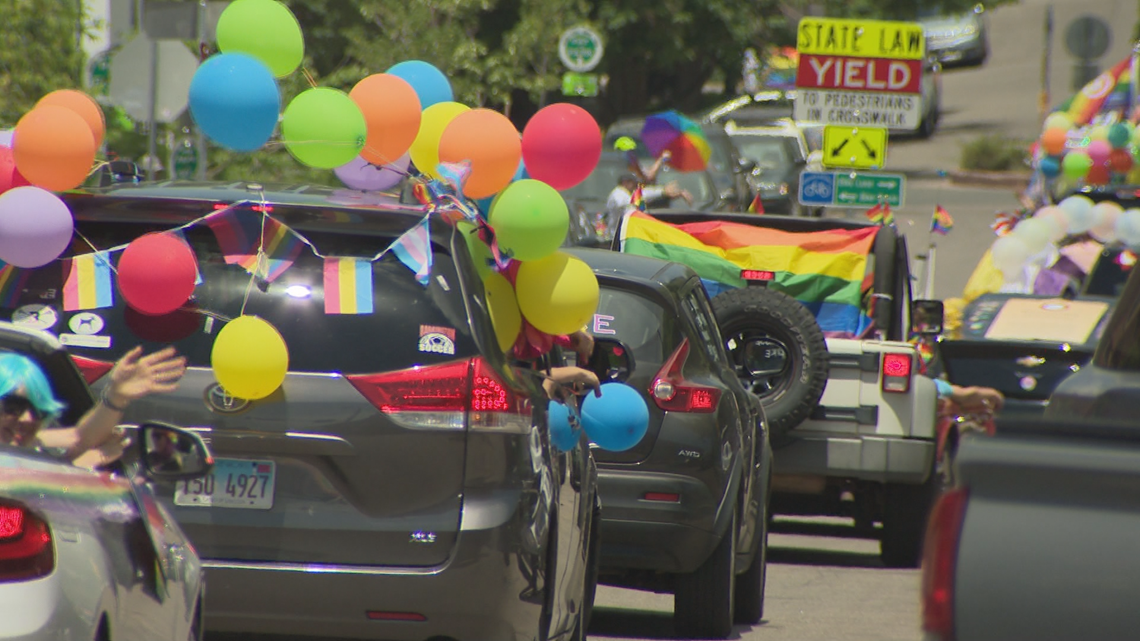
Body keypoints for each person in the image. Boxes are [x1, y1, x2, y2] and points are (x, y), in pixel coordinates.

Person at [0, 346, 187, 469]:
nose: (27, 419)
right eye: (14, 406)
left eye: (40, 412)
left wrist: (116, 396)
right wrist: (79, 468)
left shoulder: (29, 445)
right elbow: (36, 495)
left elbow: (78, 437)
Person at [605, 173, 693, 233]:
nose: (636, 184)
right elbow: (630, 201)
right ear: (625, 182)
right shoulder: (617, 193)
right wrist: (663, 191)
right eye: (633, 182)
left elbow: (645, 193)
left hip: (627, 233)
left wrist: (664, 191)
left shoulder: (628, 193)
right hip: (614, 236)